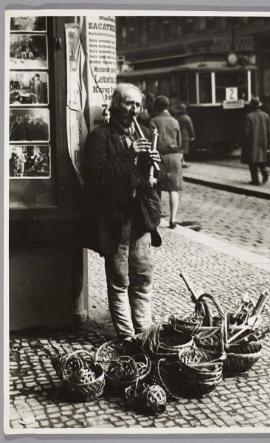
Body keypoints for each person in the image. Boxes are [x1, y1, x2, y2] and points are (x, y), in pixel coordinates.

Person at [81, 83, 162, 341]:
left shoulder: (146, 132)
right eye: (129, 104)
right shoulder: (100, 137)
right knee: (119, 279)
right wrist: (130, 154)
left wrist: (155, 172)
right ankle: (127, 339)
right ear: (115, 105)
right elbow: (97, 177)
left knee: (143, 274)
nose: (134, 110)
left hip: (140, 216)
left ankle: (145, 332)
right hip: (115, 217)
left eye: (138, 105)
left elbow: (151, 179)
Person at [151, 95, 182, 229]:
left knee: (157, 188)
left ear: (156, 107)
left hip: (159, 157)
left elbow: (152, 142)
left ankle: (156, 218)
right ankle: (172, 220)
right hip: (175, 157)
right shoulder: (175, 121)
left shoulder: (153, 121)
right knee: (173, 189)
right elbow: (179, 141)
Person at [241, 96, 270, 185]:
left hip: (252, 142)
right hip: (263, 141)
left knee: (252, 161)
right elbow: (268, 131)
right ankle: (265, 172)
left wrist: (242, 142)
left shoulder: (249, 117)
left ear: (251, 106)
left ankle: (255, 180)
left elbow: (246, 131)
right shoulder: (266, 116)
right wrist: (269, 144)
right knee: (261, 159)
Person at [175, 103, 195, 168]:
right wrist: (192, 136)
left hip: (177, 134)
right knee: (183, 149)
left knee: (179, 149)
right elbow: (190, 127)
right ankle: (183, 162)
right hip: (185, 135)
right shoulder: (187, 118)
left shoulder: (176, 117)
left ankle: (181, 161)